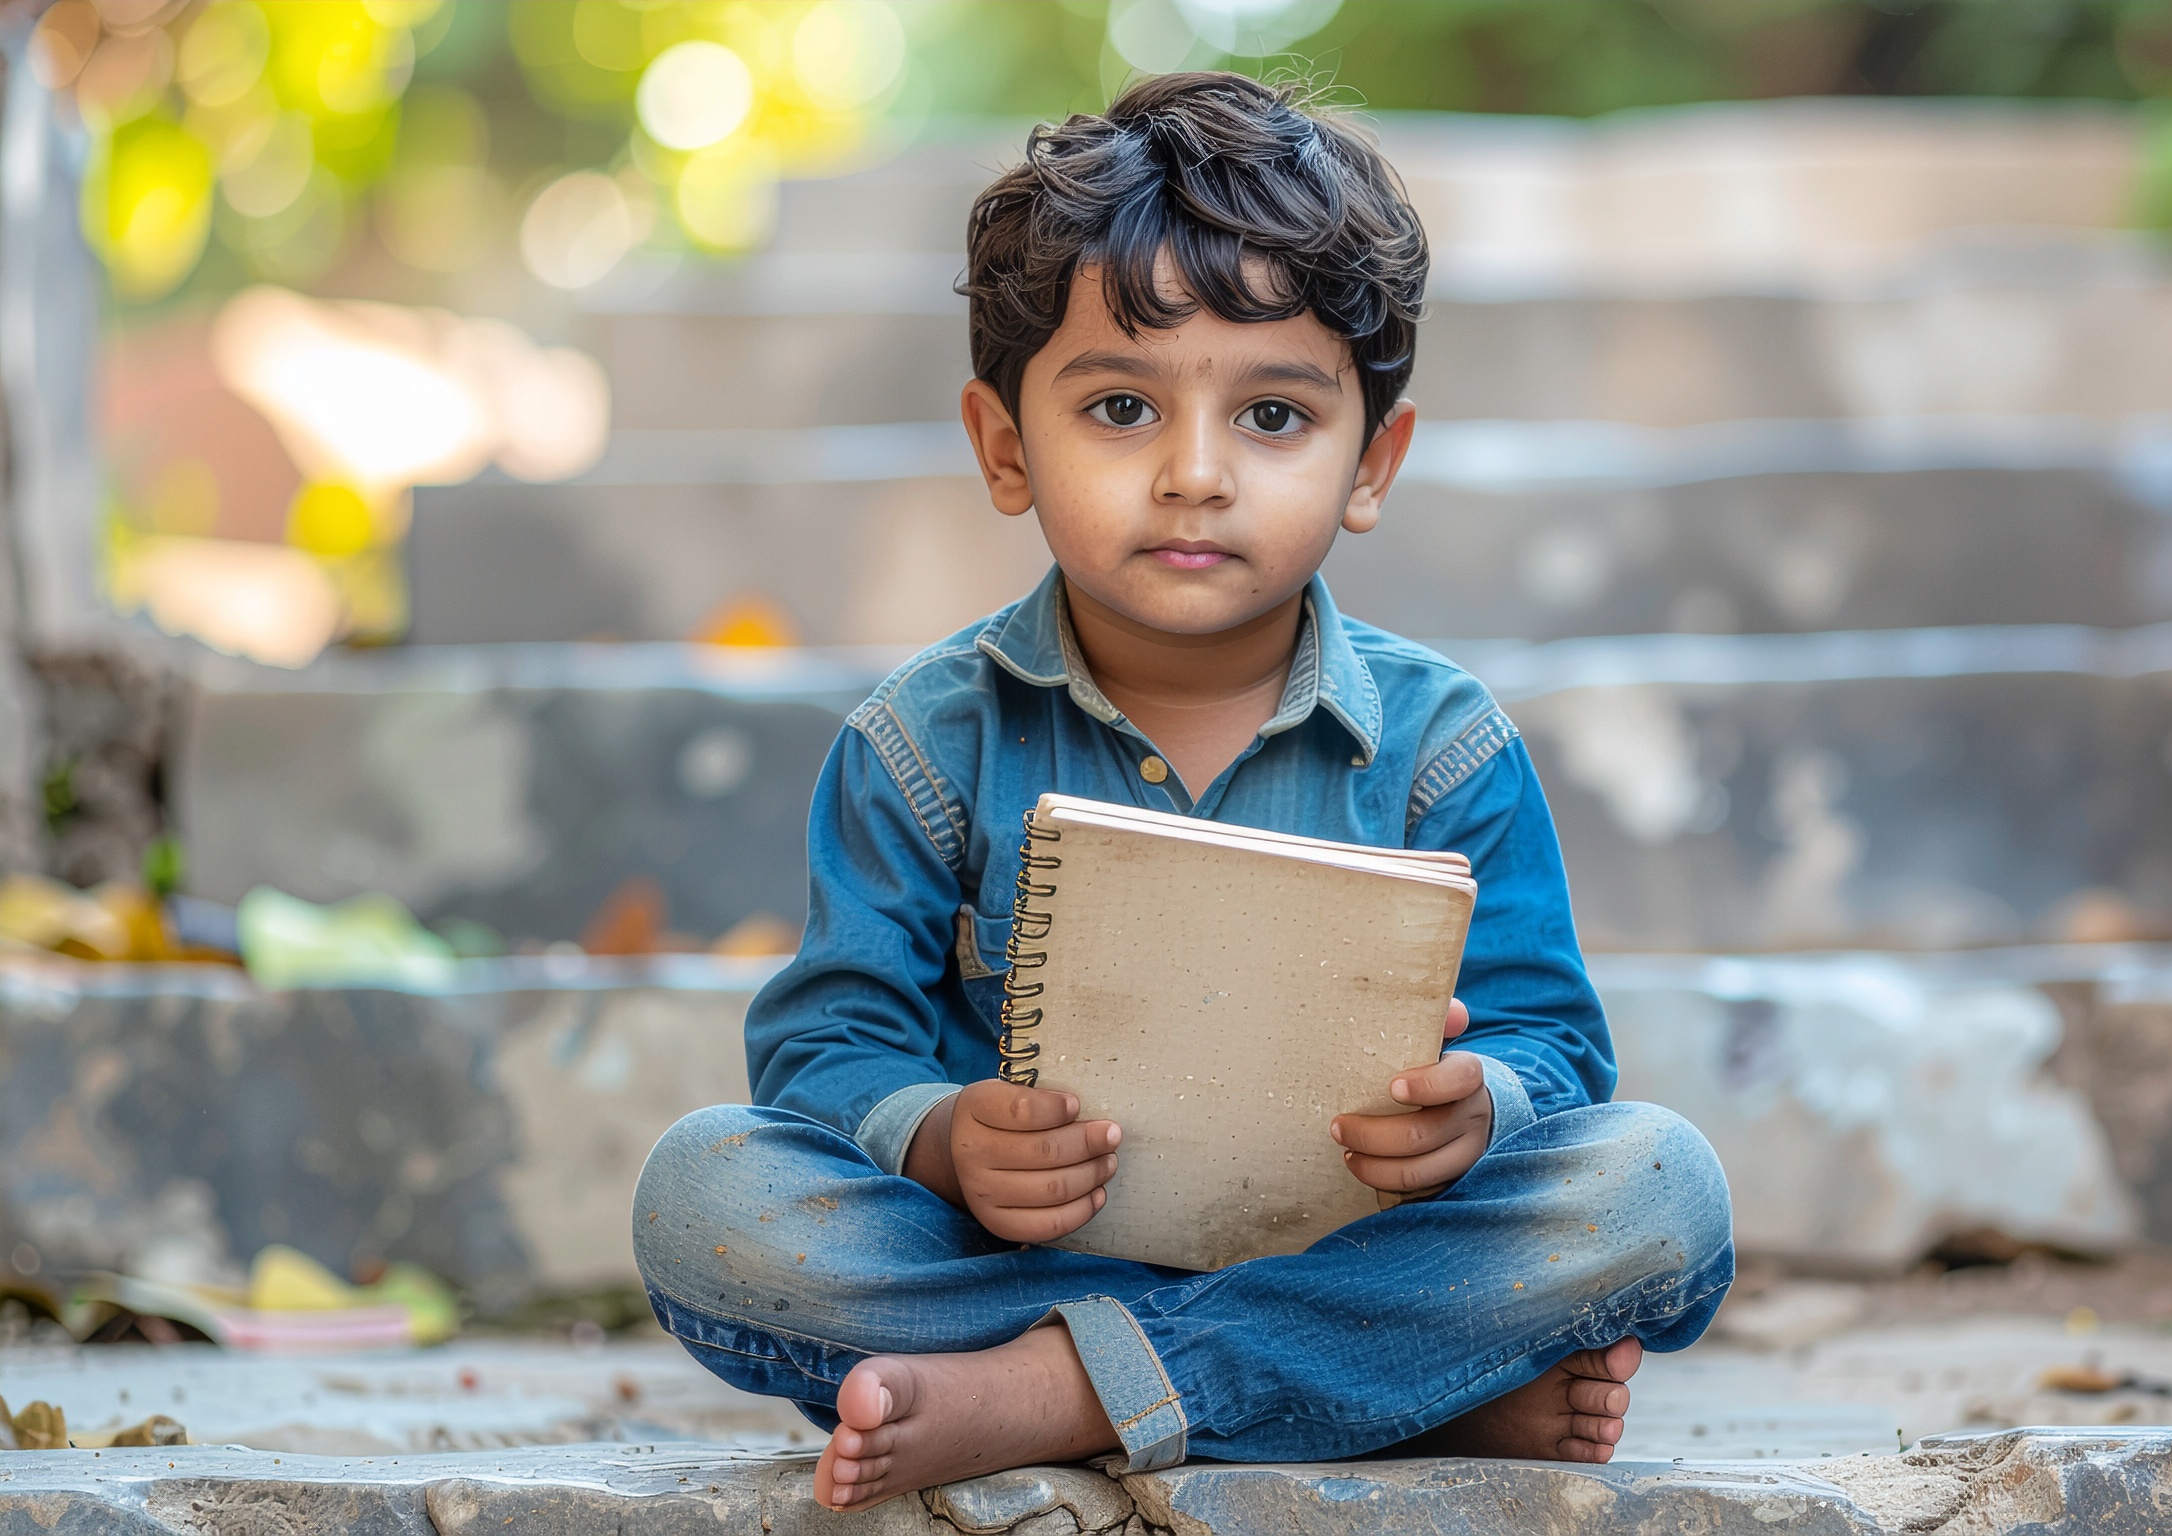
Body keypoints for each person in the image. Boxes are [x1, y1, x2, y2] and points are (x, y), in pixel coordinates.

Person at [632, 71, 1734, 1511]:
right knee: (707, 1195)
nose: (1195, 476)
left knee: (1658, 1187)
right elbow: (829, 1048)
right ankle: (1378, 1388)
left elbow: (1554, 1046)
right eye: (1121, 409)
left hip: (1359, 1249)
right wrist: (951, 1141)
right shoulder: (920, 744)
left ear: (1372, 461)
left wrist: (1482, 1107)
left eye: (1274, 415)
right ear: (1005, 447)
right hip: (1026, 1257)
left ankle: (1054, 1395)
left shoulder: (1445, 745)